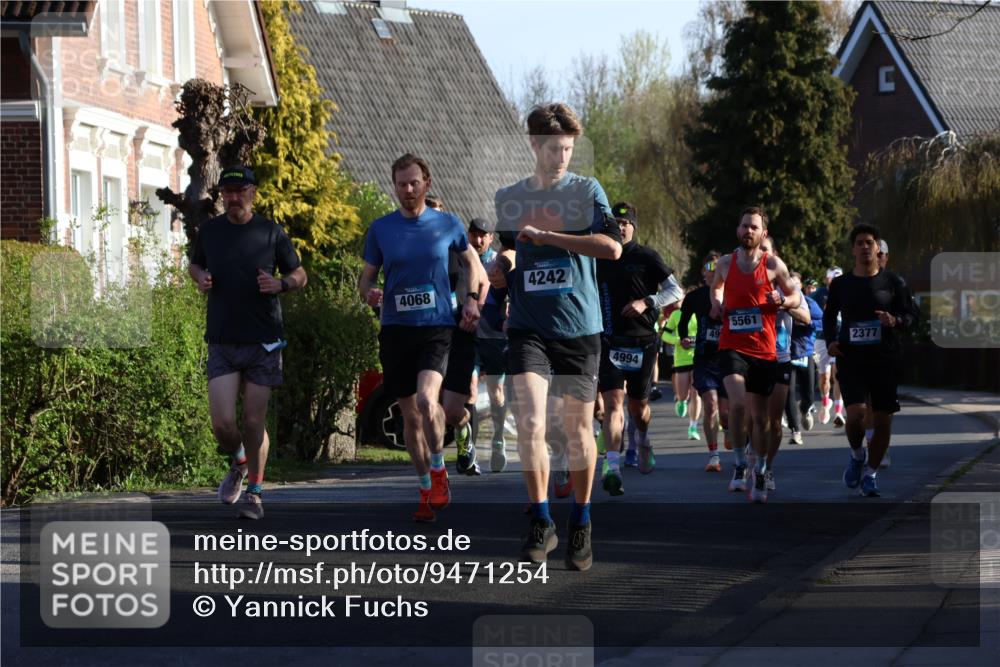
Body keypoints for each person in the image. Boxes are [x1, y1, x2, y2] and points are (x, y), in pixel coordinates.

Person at [490, 103, 621, 571]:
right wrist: (499, 268)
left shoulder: (587, 191)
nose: (561, 157)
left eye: (568, 148)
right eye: (553, 149)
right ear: (534, 145)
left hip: (580, 328)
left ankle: (581, 521)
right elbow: (507, 251)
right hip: (528, 327)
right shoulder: (510, 197)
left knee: (578, 428)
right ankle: (542, 520)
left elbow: (612, 247)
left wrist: (550, 237)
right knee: (529, 420)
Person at [359, 154, 486, 522]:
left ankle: (438, 469)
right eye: (401, 184)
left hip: (435, 327)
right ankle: (424, 487)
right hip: (396, 329)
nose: (408, 190)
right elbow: (366, 278)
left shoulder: (447, 224)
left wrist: (473, 302)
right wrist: (368, 292)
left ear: (426, 184)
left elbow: (474, 266)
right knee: (409, 417)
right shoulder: (381, 229)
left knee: (430, 401)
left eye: (414, 183)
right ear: (395, 186)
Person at [188, 166, 308, 520]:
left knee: (254, 421)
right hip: (223, 338)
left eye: (240, 191)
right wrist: (201, 278)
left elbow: (300, 274)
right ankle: (240, 461)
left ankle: (255, 494)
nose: (233, 197)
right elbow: (194, 266)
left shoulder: (270, 232)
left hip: (264, 340)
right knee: (223, 423)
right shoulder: (210, 231)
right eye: (227, 191)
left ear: (252, 192)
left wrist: (281, 284)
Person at [709, 206, 799, 503]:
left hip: (763, 349)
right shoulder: (724, 263)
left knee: (760, 417)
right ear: (738, 229)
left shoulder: (773, 264)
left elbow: (795, 295)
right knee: (737, 405)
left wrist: (782, 299)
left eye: (754, 227)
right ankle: (738, 464)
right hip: (732, 344)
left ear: (764, 234)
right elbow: (716, 288)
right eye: (744, 225)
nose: (748, 231)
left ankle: (759, 469)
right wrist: (717, 303)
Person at [596, 201, 682, 493]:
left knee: (638, 407)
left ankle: (643, 440)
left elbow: (676, 290)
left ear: (633, 226)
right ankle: (612, 467)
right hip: (610, 341)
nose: (620, 228)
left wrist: (647, 301)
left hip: (643, 341)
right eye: (615, 223)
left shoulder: (646, 256)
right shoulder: (600, 258)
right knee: (612, 405)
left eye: (625, 223)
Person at [825, 224, 917, 497]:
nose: (865, 247)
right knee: (855, 417)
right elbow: (830, 317)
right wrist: (830, 340)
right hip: (851, 358)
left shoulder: (894, 283)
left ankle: (871, 474)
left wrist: (895, 320)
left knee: (883, 421)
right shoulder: (842, 285)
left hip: (884, 358)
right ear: (853, 249)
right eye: (860, 243)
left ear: (878, 248)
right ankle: (856, 456)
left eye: (870, 242)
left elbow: (911, 315)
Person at [753, 238, 811, 497]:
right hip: (752, 356)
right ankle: (756, 464)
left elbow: (807, 317)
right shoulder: (743, 280)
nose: (761, 254)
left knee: (774, 422)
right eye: (758, 249)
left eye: (765, 249)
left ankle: (767, 467)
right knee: (757, 419)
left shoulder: (787, 284)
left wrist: (783, 303)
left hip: (780, 356)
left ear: (773, 254)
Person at [679, 251, 731, 472]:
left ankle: (728, 429)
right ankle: (713, 455)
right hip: (704, 359)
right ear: (703, 272)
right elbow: (682, 322)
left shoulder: (732, 294)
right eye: (708, 268)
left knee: (727, 413)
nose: (712, 272)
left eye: (716, 268)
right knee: (709, 405)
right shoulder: (695, 297)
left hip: (729, 358)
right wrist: (683, 337)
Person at [467, 217, 511, 473]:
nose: (479, 240)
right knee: (471, 391)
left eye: (484, 235)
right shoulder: (462, 259)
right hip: (471, 337)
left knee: (496, 392)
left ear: (491, 237)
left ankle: (498, 439)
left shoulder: (500, 262)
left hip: (495, 338)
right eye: (474, 234)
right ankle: (470, 450)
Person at [786, 271, 823, 444]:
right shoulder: (781, 303)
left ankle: (805, 408)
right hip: (785, 353)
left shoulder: (809, 302)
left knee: (808, 392)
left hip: (805, 352)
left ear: (800, 286)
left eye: (795, 283)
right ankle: (795, 431)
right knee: (789, 392)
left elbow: (821, 322)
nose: (792, 286)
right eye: (789, 283)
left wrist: (806, 323)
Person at [662, 291, 702, 440]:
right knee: (683, 394)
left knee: (696, 394)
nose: (676, 300)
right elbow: (665, 335)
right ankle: (681, 401)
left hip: (697, 358)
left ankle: (693, 426)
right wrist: (679, 341)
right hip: (681, 359)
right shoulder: (675, 315)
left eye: (679, 298)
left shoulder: (699, 313)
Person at [813, 267, 845, 426]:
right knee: (824, 376)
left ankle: (838, 412)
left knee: (838, 375)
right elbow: (806, 306)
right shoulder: (819, 294)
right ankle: (826, 403)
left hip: (841, 338)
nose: (837, 282)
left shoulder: (847, 291)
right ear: (827, 279)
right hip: (821, 339)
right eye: (833, 279)